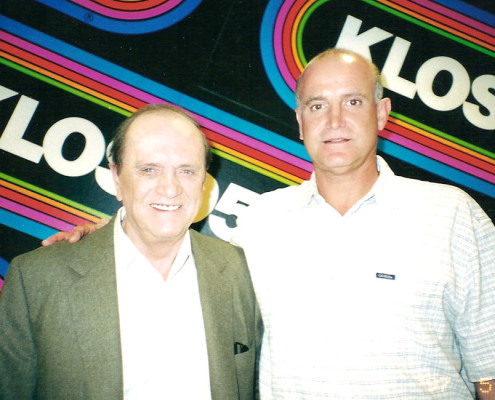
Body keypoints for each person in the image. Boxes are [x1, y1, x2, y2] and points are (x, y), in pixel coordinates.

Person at [38, 49, 495, 399]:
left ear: (381, 114)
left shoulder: (452, 214)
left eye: (352, 101)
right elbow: (179, 259)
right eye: (316, 106)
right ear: (299, 121)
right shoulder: (261, 220)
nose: (333, 120)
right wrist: (100, 241)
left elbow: (489, 376)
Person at [0, 104, 262, 400]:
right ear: (116, 178)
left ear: (203, 181)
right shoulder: (36, 278)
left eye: (186, 171)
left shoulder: (243, 272)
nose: (170, 188)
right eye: (149, 170)